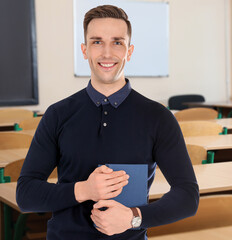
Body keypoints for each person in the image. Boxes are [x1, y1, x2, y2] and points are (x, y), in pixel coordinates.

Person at [16, 5, 199, 240]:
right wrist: (85, 189)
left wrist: (134, 217)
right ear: (84, 50)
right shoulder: (57, 115)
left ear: (129, 51)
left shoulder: (158, 117)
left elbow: (188, 196)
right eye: (97, 42)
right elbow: (26, 194)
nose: (107, 53)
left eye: (117, 42)